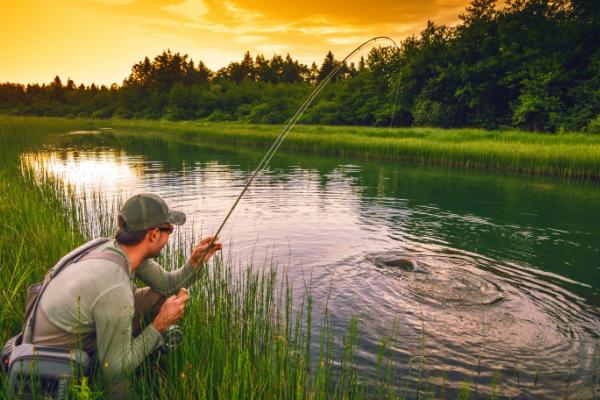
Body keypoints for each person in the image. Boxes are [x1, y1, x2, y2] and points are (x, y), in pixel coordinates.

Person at [28, 193, 222, 398]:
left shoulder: (116, 248)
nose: (169, 237)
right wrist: (160, 324)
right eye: (169, 230)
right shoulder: (114, 286)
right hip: (57, 362)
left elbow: (167, 286)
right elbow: (114, 368)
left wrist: (194, 262)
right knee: (118, 370)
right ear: (154, 235)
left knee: (160, 296)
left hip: (72, 332)